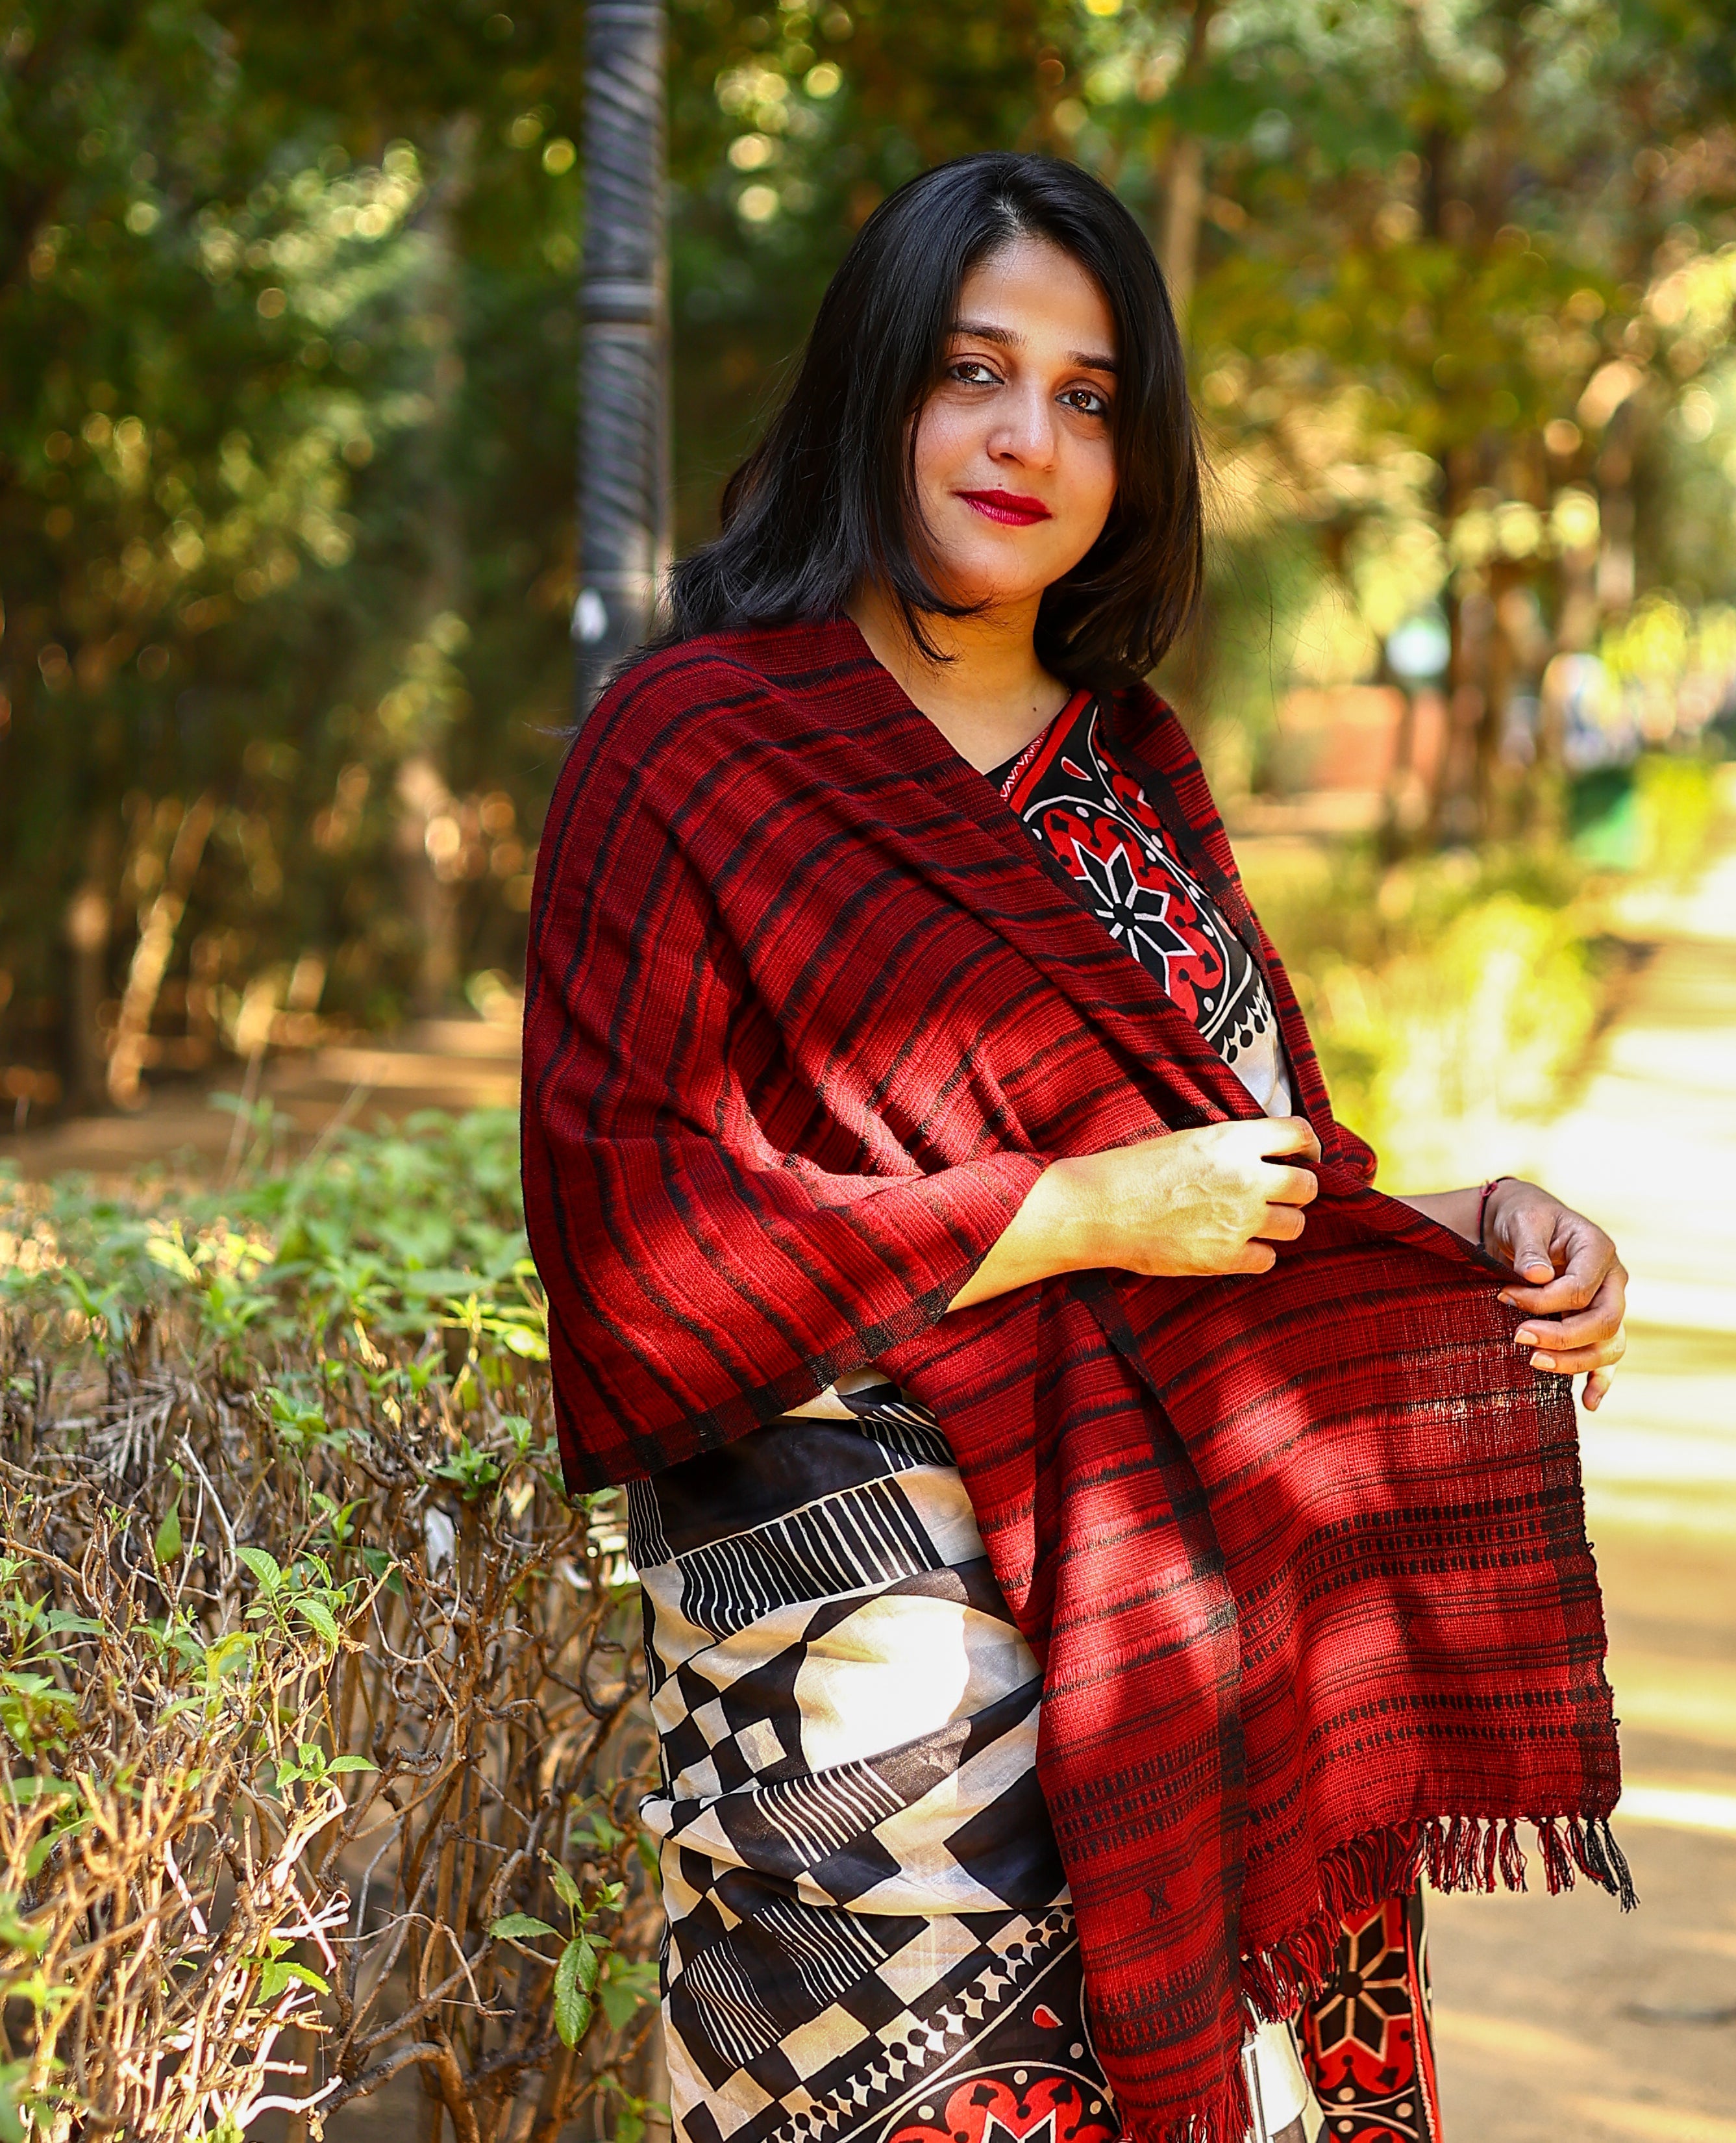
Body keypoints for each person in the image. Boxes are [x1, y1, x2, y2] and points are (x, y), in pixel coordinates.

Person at [523, 153, 1632, 2143]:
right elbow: (630, 1259)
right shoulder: (691, 748)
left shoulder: (1129, 762)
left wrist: (1463, 1226)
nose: (1029, 435)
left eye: (1091, 393)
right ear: (876, 390)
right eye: (973, 372)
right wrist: (1072, 1212)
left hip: (1210, 1661)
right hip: (870, 1716)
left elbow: (1235, 1178)